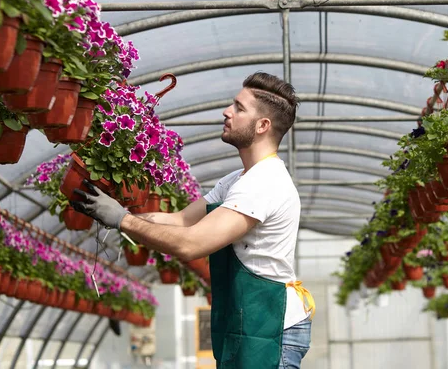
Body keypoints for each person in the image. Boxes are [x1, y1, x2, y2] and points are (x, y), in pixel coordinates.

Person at [72, 72, 315, 368]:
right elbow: (181, 221)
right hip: (251, 320)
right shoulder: (238, 179)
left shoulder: (264, 183)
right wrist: (109, 210)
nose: (227, 112)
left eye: (239, 107)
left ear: (263, 125)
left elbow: (192, 243)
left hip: (270, 325)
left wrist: (123, 220)